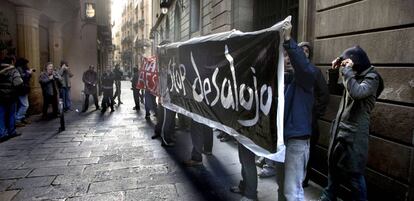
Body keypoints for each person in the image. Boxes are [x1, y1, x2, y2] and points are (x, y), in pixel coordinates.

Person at [319, 46, 384, 201]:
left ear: (357, 61)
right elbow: (334, 89)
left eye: (349, 61)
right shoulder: (353, 76)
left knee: (354, 174)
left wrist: (347, 72)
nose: (346, 66)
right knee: (333, 168)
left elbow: (357, 93)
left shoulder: (372, 77)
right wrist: (334, 71)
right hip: (340, 128)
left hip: (355, 133)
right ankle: (328, 197)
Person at [274, 21, 317, 201]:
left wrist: (289, 40)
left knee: (292, 192)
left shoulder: (306, 78)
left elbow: (302, 66)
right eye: (285, 55)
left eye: (291, 56)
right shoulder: (280, 81)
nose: (288, 59)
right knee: (281, 185)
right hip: (281, 140)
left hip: (297, 141)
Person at [298, 42, 330, 187]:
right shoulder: (291, 69)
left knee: (308, 150)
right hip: (294, 119)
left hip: (309, 119)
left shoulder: (315, 71)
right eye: (302, 50)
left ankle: (304, 178)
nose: (305, 52)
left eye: (307, 51)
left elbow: (324, 94)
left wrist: (314, 113)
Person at [0, 56, 23, 142]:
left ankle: (2, 134)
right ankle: (11, 131)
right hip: (11, 96)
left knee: (1, 115)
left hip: (1, 96)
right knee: (11, 114)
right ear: (12, 62)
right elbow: (18, 82)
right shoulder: (13, 70)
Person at [15, 58, 33, 127]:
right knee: (25, 105)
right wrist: (27, 73)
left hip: (24, 89)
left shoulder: (21, 68)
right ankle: (17, 119)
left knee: (22, 104)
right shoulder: (19, 68)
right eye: (26, 63)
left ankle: (22, 118)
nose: (27, 65)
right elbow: (21, 78)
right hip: (21, 90)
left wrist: (29, 73)